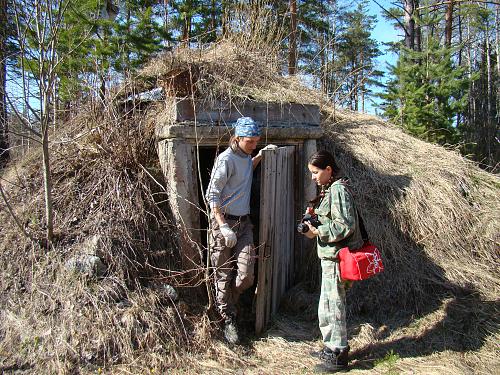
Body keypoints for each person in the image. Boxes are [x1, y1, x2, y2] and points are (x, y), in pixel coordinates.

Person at [206, 116, 276, 345]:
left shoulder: (246, 157)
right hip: (223, 224)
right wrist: (223, 225)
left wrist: (260, 156)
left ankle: (232, 304)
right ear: (237, 138)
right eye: (251, 141)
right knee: (223, 274)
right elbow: (212, 194)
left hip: (244, 224)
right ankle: (228, 318)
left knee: (246, 275)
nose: (254, 144)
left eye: (257, 141)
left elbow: (247, 170)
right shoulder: (225, 160)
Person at [300, 150, 363, 372]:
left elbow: (345, 226)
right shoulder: (329, 191)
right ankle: (330, 346)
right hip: (329, 258)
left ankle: (338, 354)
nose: (313, 177)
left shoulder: (338, 191)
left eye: (316, 172)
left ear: (328, 170)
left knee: (334, 305)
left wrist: (318, 231)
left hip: (337, 259)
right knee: (326, 305)